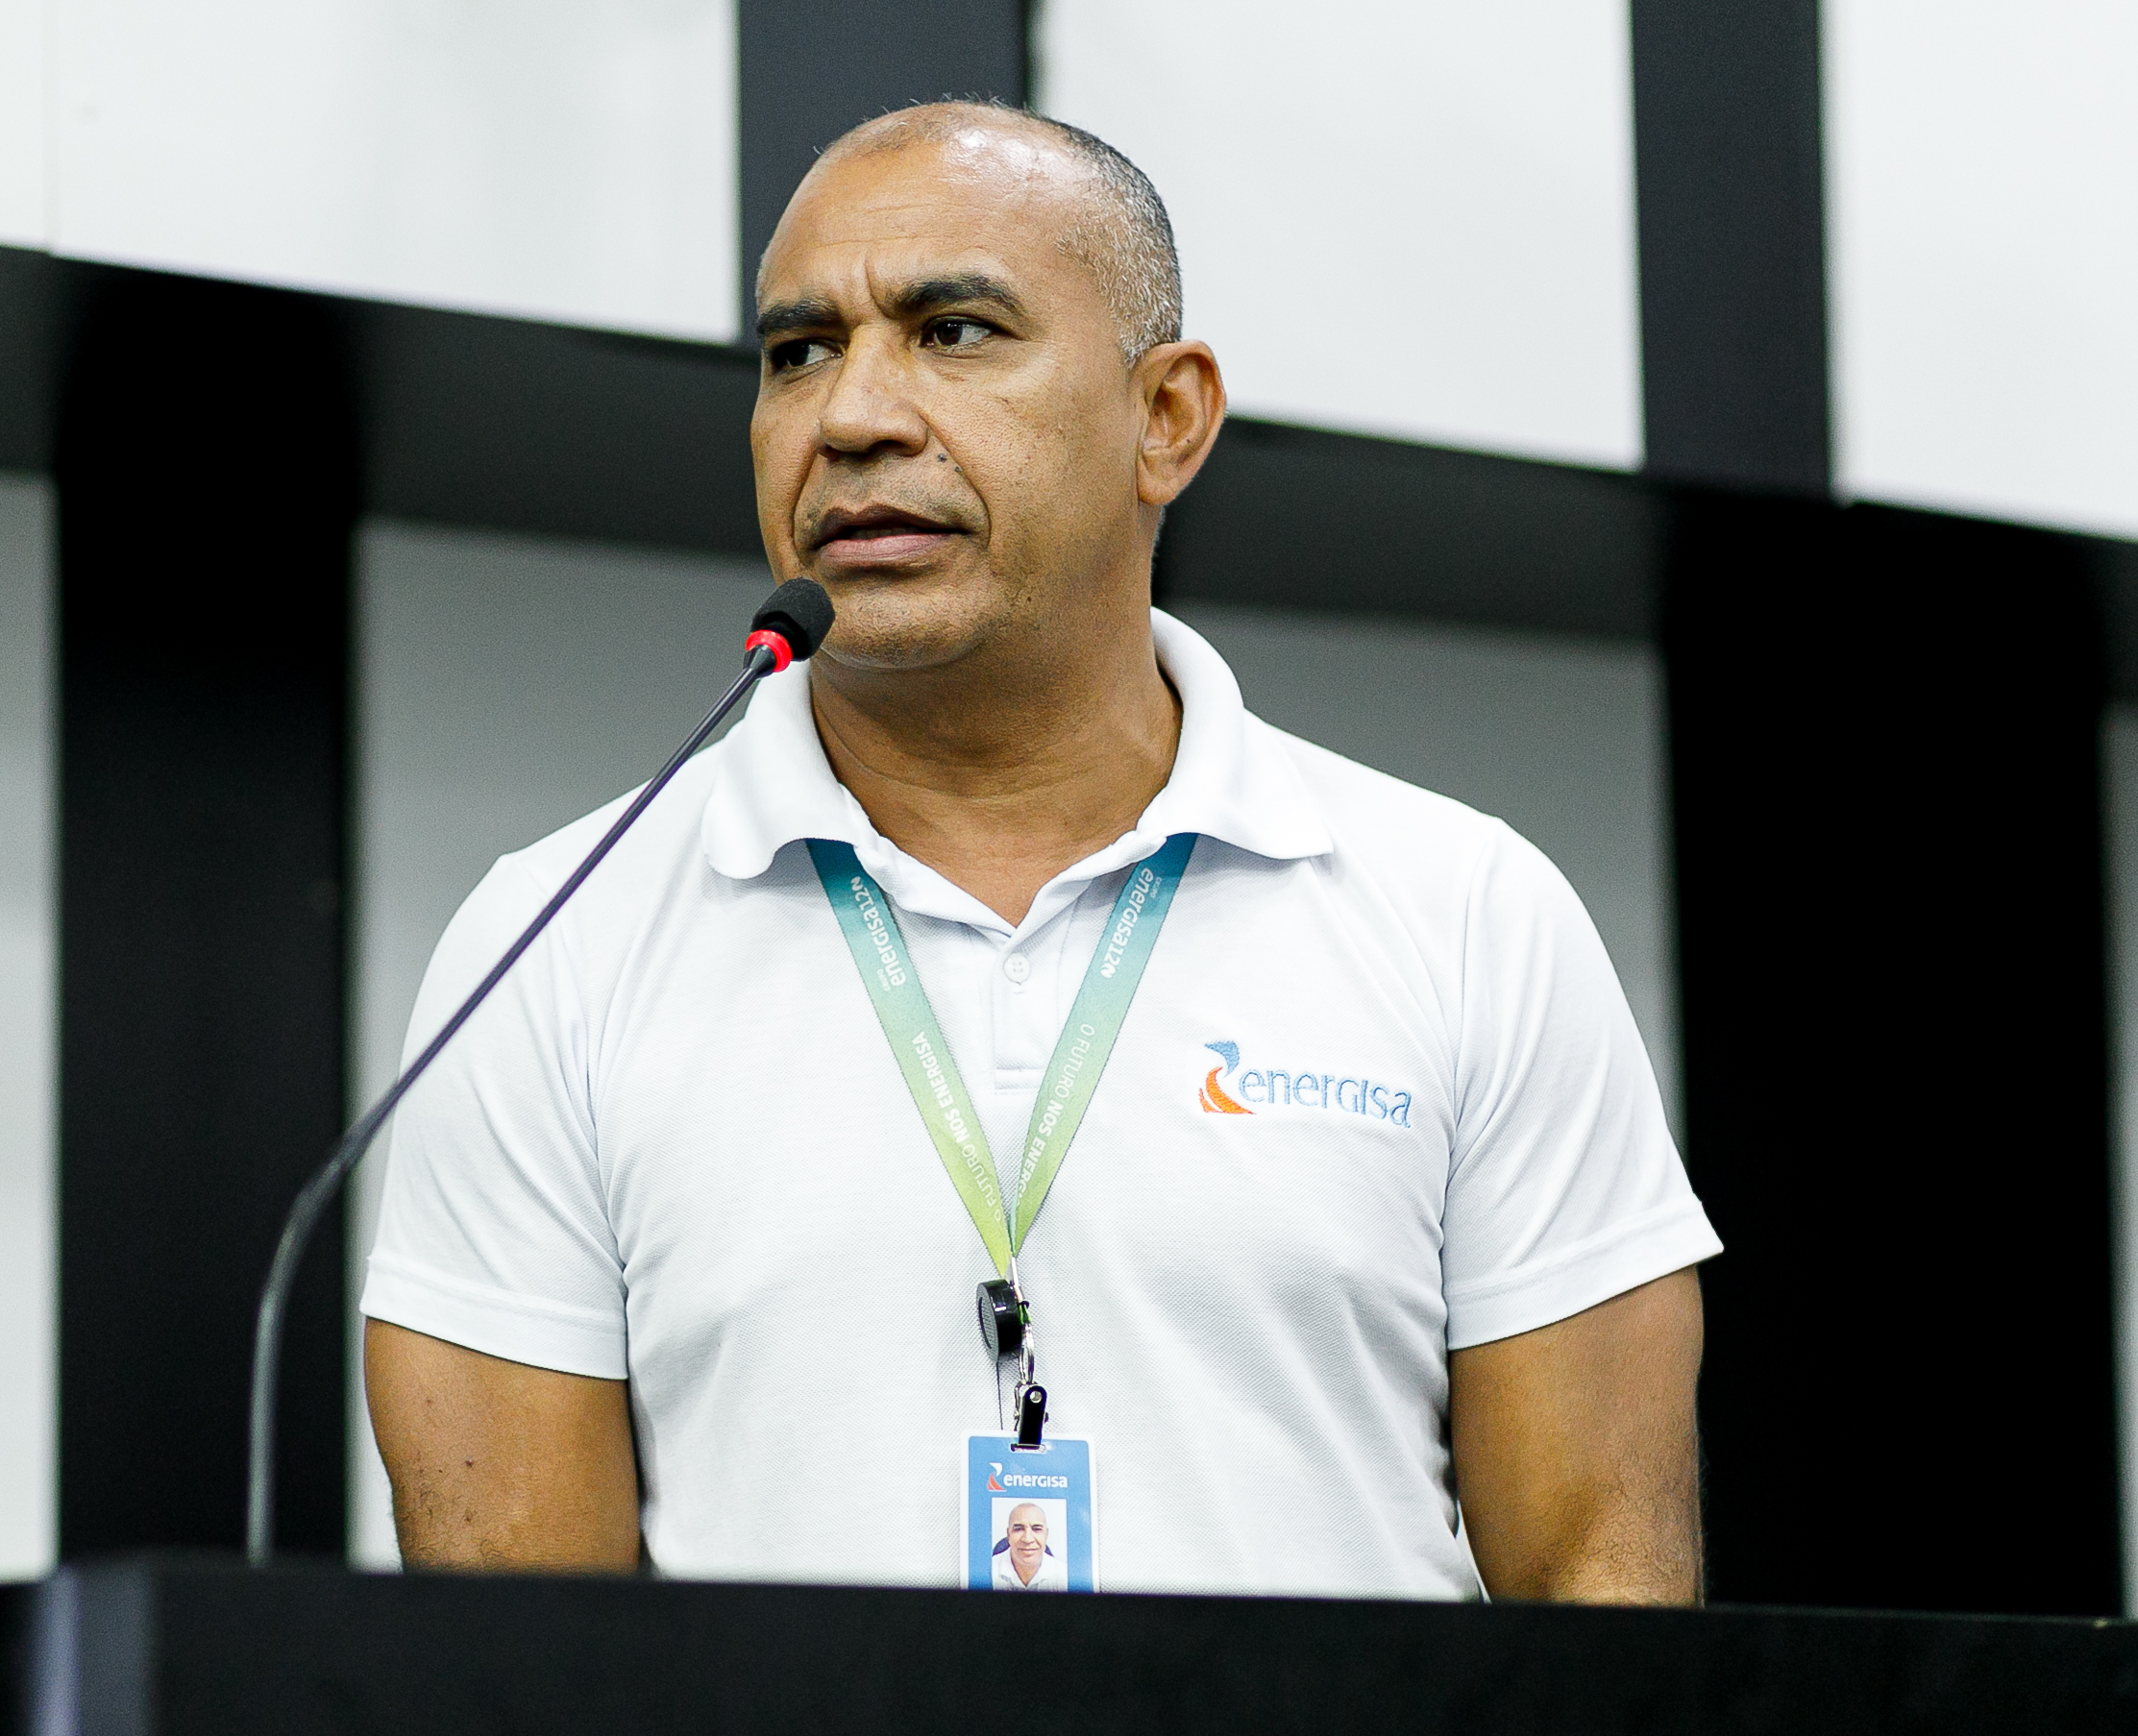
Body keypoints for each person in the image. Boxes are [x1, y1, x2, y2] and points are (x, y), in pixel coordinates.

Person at [362, 100, 1718, 1602]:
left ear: (1166, 418)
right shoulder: (551, 938)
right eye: (797, 351)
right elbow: (519, 1654)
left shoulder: (1464, 913)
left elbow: (1601, 1590)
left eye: (951, 331)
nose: (849, 416)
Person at [992, 1502, 1065, 1591]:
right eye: (1019, 1529)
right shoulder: (986, 1572)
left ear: (1046, 1535)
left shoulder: (1065, 1575)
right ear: (1008, 1534)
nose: (1027, 1539)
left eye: (1036, 1529)